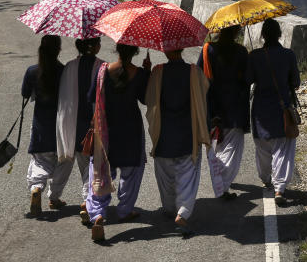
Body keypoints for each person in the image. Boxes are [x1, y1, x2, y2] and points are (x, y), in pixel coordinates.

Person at [85, 43, 151, 242]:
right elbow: (145, 100)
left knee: (101, 170)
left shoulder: (103, 70)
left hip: (106, 128)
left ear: (117, 49)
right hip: (130, 129)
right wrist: (147, 71)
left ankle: (97, 214)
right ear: (136, 52)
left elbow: (91, 97)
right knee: (132, 171)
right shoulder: (138, 73)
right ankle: (124, 210)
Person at [145, 48, 210, 236]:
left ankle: (168, 207)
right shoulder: (194, 72)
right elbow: (205, 91)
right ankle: (182, 212)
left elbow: (147, 99)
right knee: (187, 177)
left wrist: (146, 72)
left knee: (165, 176)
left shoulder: (157, 72)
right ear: (182, 49)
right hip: (187, 134)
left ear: (165, 52)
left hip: (163, 135)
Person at [246, 18, 300, 206]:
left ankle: (266, 179)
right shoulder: (289, 55)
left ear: (262, 36)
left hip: (260, 109)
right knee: (282, 149)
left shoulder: (254, 56)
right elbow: (296, 83)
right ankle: (279, 188)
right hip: (282, 108)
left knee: (263, 147)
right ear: (279, 35)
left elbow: (248, 80)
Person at [21, 34, 73, 217]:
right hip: (62, 125)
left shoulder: (32, 71)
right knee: (65, 160)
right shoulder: (64, 71)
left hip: (41, 125)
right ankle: (54, 197)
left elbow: (25, 94)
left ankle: (36, 187)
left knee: (40, 160)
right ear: (59, 50)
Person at [197, 25, 250, 200]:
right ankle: (222, 186)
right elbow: (248, 79)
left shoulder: (207, 49)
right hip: (235, 107)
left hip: (212, 106)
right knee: (232, 150)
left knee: (218, 145)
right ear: (236, 32)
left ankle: (219, 179)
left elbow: (199, 76)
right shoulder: (241, 52)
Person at [56, 37, 103, 225]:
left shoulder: (69, 67)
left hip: (70, 123)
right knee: (89, 165)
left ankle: (52, 195)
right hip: (91, 123)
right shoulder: (103, 67)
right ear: (96, 46)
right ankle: (86, 200)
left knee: (66, 161)